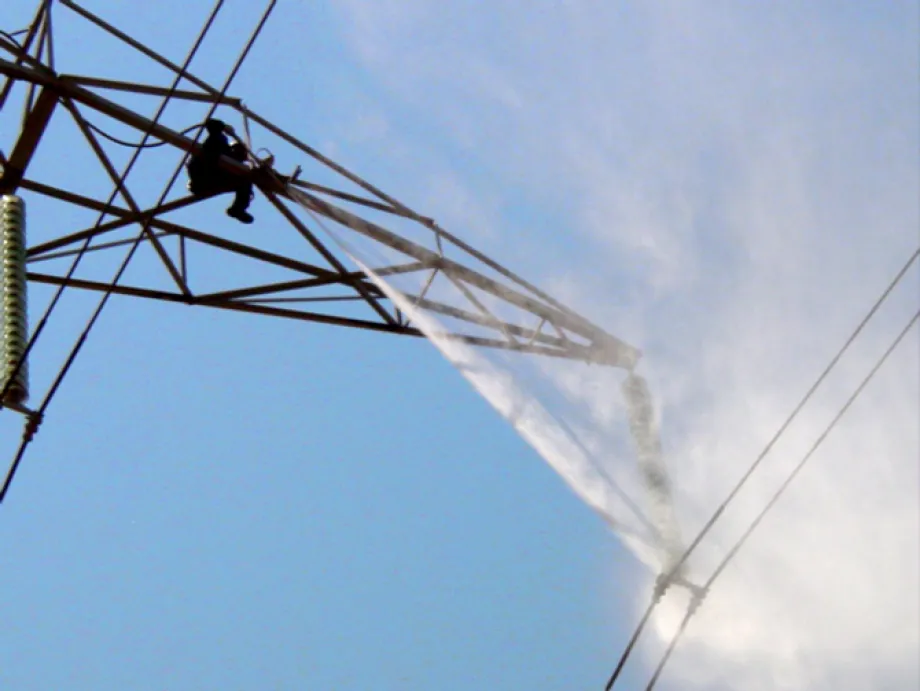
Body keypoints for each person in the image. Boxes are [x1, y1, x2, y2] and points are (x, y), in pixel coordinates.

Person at [187, 119, 254, 224]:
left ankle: (237, 209)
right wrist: (223, 127)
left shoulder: (236, 168)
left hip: (211, 179)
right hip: (203, 174)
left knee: (246, 180)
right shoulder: (220, 144)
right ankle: (237, 209)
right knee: (245, 179)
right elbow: (211, 124)